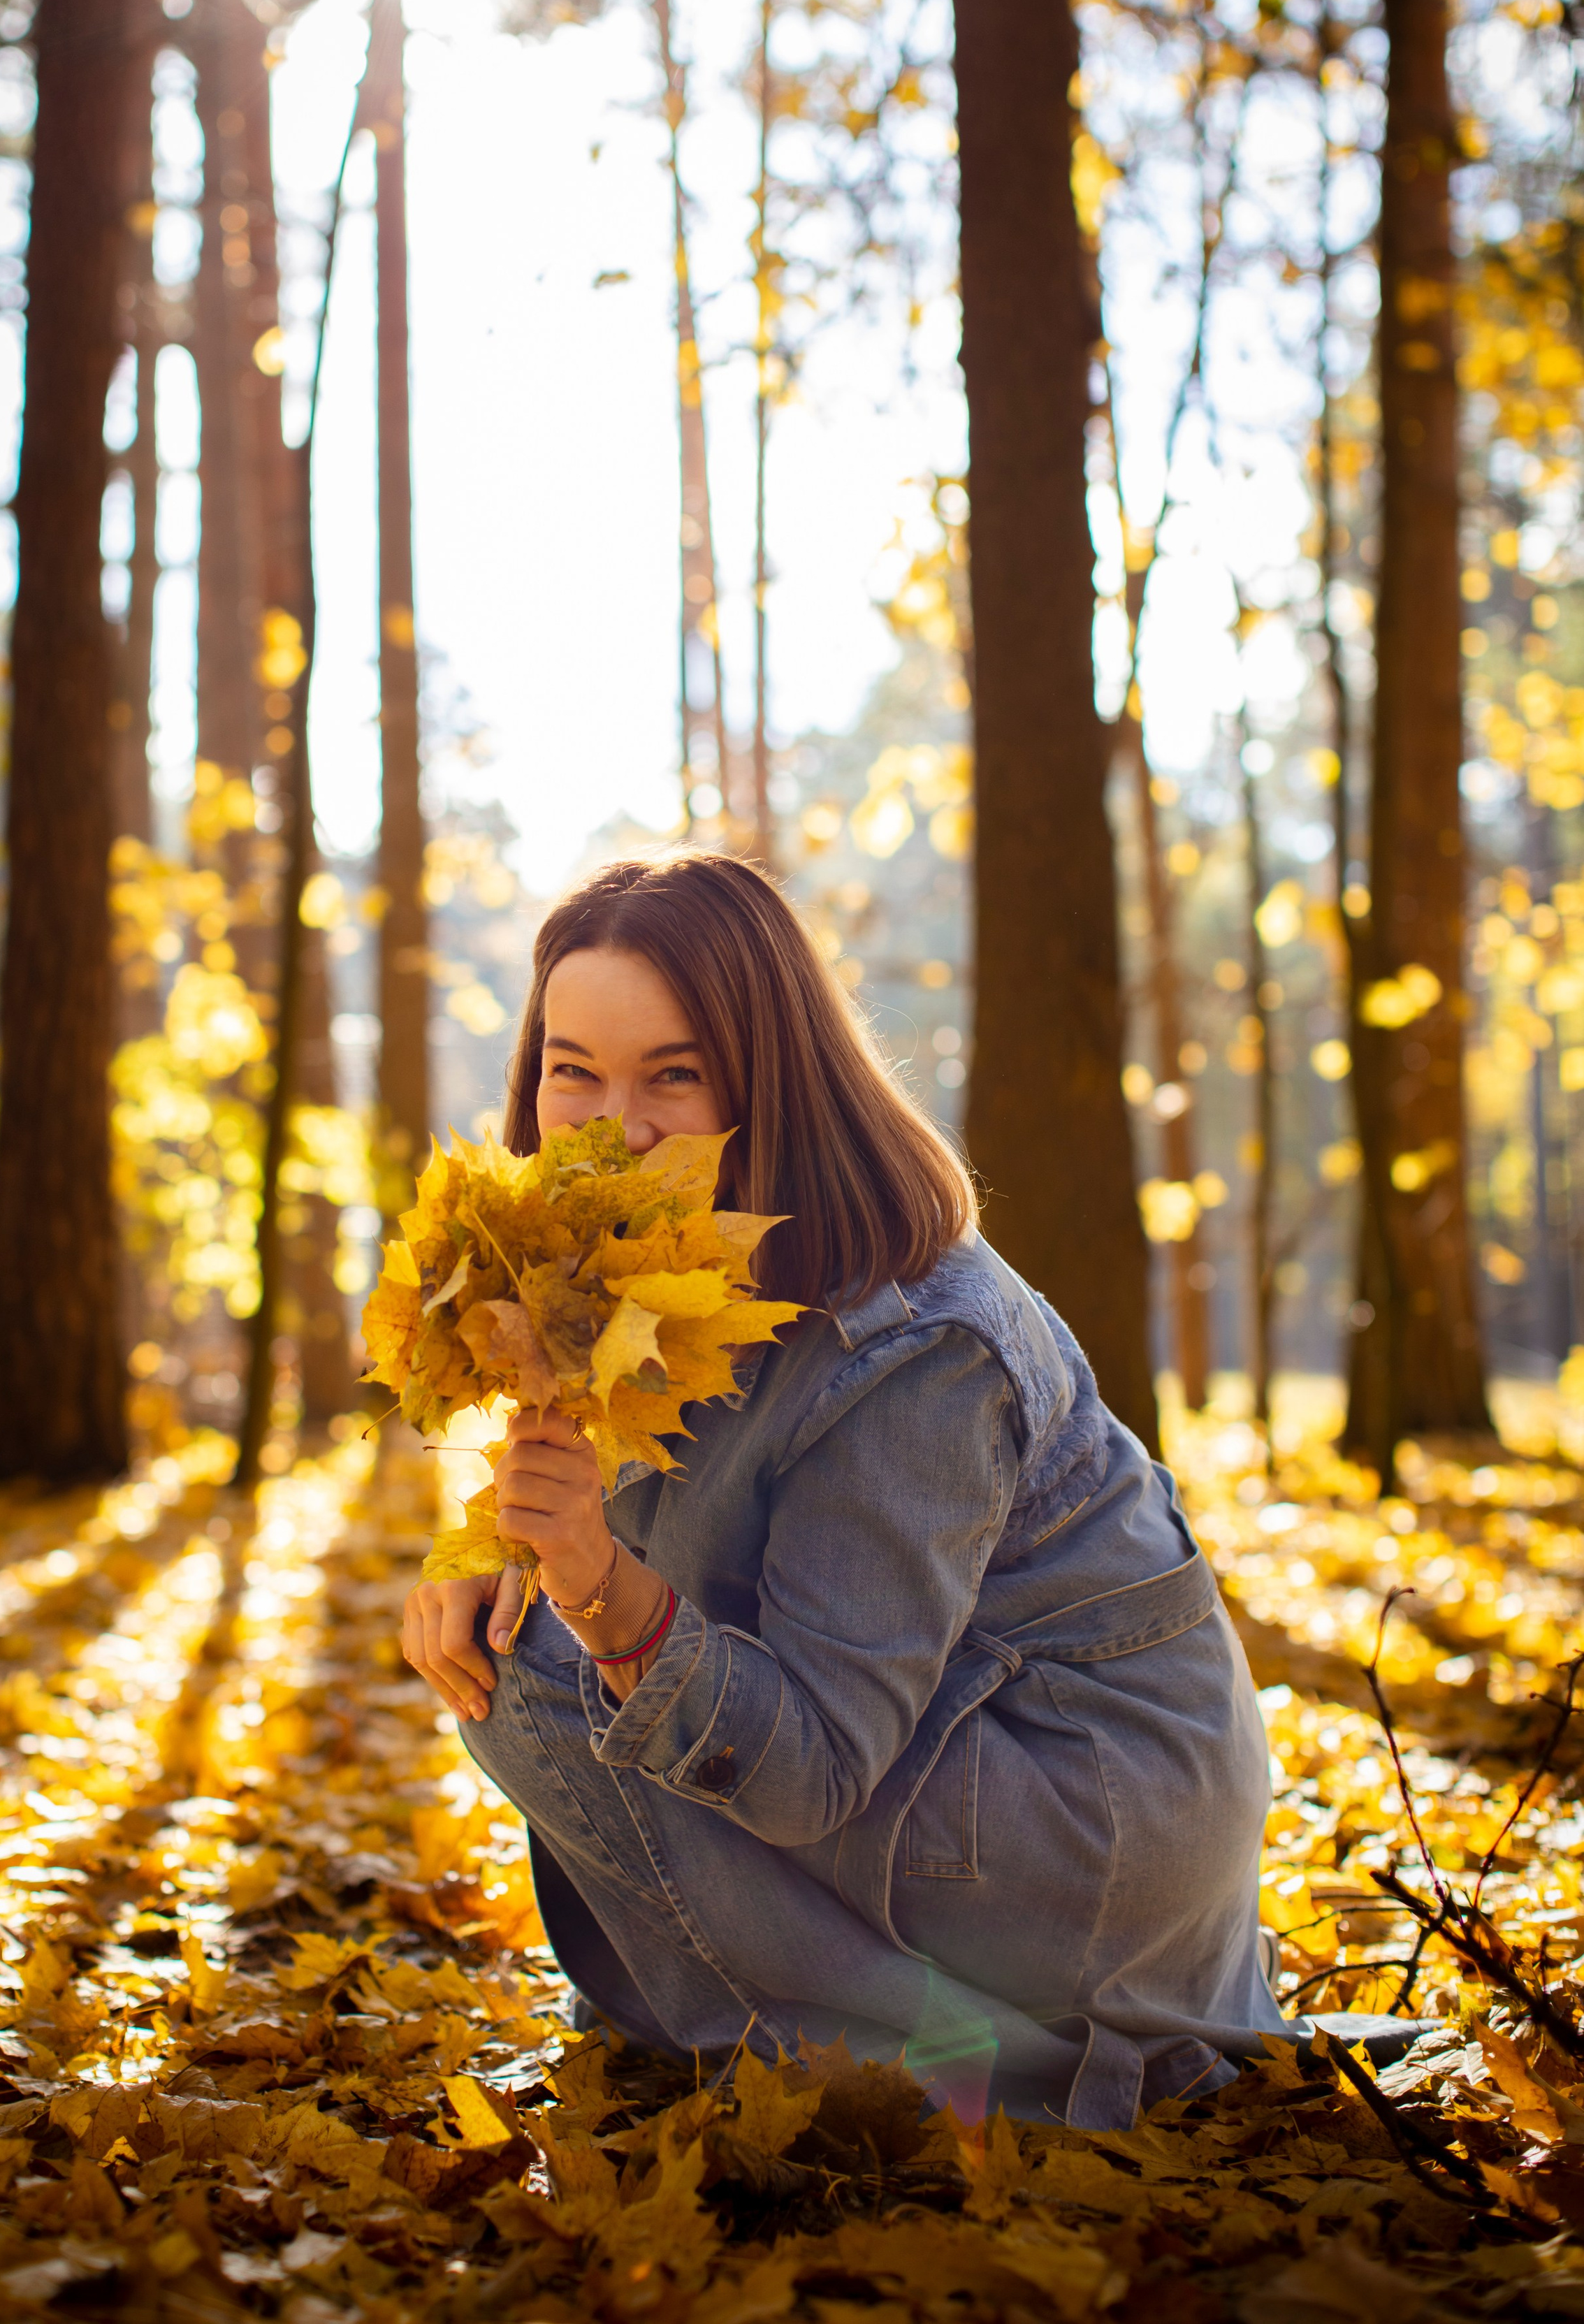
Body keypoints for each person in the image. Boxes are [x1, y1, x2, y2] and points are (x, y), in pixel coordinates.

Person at [401, 852, 1286, 2128]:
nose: (611, 1129)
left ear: (770, 1082)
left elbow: (814, 1765)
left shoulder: (914, 1345)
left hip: (1088, 1830)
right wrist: (492, 1546)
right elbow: (634, 1499)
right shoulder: (644, 1264)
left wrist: (589, 1589)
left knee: (545, 1662)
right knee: (510, 1628)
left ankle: (943, 2071)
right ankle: (832, 2027)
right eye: (573, 1069)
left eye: (675, 1075)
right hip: (957, 1766)